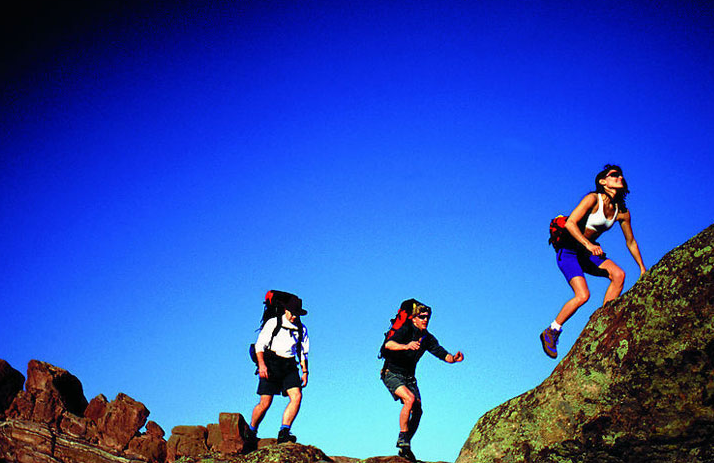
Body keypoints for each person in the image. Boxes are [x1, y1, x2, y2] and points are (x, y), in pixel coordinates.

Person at [540, 164, 646, 359]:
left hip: (588, 251)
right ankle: (552, 330)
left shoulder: (621, 212)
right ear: (602, 182)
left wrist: (642, 268)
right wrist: (588, 244)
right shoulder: (592, 199)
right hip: (570, 250)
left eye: (621, 175)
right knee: (583, 295)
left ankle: (604, 321)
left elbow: (630, 242)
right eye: (614, 175)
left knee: (619, 274)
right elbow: (571, 222)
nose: (619, 177)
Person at [380, 300, 464, 462]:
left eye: (427, 317)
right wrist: (406, 346)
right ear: (413, 318)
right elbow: (388, 344)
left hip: (409, 378)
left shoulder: (427, 338)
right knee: (409, 400)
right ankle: (403, 439)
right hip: (391, 373)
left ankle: (405, 446)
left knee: (418, 411)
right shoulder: (405, 329)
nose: (425, 319)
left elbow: (441, 354)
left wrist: (453, 358)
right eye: (422, 317)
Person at [247, 292, 309, 444]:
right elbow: (259, 346)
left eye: (297, 314)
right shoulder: (274, 323)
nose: (294, 316)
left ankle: (284, 431)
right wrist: (262, 365)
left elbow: (303, 353)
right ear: (286, 310)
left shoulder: (302, 329)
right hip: (271, 362)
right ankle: (251, 431)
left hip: (289, 364)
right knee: (265, 403)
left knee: (297, 396)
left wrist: (305, 372)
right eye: (292, 313)